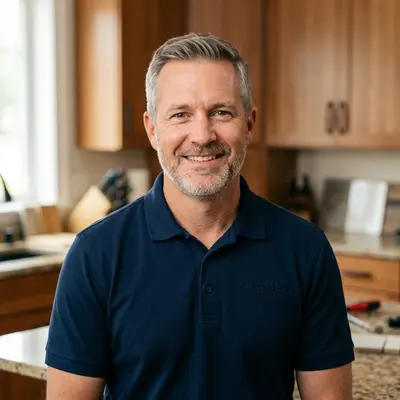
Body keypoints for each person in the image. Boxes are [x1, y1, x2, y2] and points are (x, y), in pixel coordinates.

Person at [45, 33, 354, 399]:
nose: (203, 135)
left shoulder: (306, 249)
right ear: (152, 129)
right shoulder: (95, 254)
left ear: (250, 124)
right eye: (180, 115)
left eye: (221, 112)